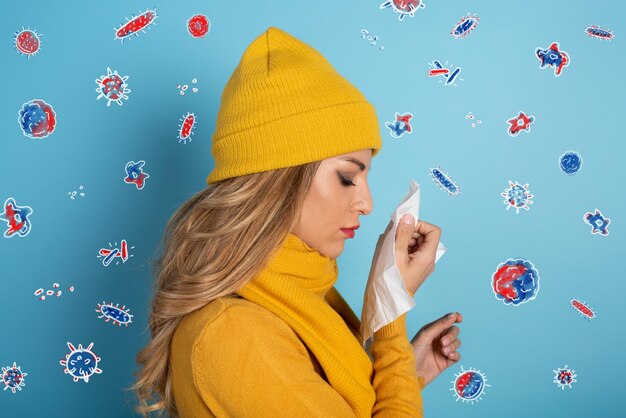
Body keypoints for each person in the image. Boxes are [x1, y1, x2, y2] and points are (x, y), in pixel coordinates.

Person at [132, 26, 462, 417]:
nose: (367, 202)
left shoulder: (299, 295)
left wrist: (404, 370)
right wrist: (389, 314)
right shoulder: (235, 335)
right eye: (346, 177)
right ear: (281, 179)